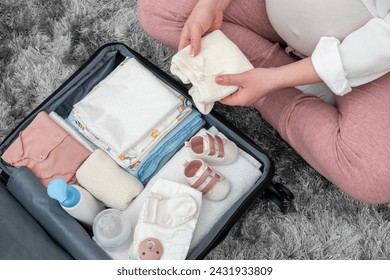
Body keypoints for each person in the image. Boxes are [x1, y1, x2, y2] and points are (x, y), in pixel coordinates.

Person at [137, 0, 390, 204]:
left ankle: (268, 83)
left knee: (374, 176)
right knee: (158, 8)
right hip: (276, 11)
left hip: (372, 64)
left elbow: (379, 45)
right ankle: (261, 74)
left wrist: (277, 79)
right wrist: (213, 5)